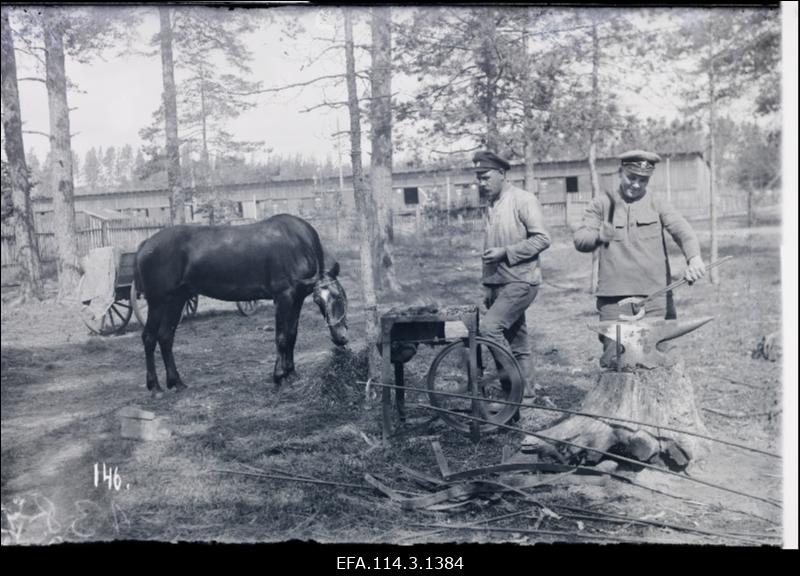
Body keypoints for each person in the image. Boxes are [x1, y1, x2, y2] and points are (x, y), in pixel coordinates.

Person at [573, 149, 706, 367]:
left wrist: (694, 259)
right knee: (615, 361)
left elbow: (683, 231)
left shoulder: (658, 202)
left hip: (655, 297)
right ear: (620, 172)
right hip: (614, 300)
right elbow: (580, 240)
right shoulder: (601, 203)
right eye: (631, 177)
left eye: (643, 180)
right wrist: (598, 236)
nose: (636, 184)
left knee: (661, 360)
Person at [473, 150, 551, 400]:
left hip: (521, 280)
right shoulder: (491, 204)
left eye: (485, 177)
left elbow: (542, 239)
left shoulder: (523, 199)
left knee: (490, 329)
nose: (481, 183)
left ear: (502, 174)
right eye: (479, 178)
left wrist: (506, 252)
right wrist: (488, 285)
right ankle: (525, 396)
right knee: (516, 342)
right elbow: (490, 248)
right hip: (498, 283)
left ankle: (513, 389)